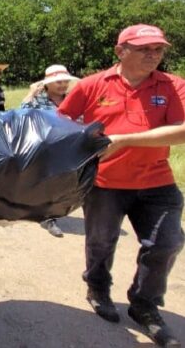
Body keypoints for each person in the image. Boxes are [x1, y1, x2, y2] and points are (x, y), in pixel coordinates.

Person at [58, 24, 185, 347]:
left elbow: (182, 131)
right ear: (121, 51)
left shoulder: (173, 86)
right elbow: (60, 125)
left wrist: (125, 139)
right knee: (100, 242)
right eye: (144, 49)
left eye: (158, 49)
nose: (153, 55)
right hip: (104, 183)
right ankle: (98, 288)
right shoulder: (91, 85)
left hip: (157, 182)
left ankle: (144, 305)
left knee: (167, 243)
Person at [20, 64, 80, 238]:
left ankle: (51, 211)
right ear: (47, 84)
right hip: (46, 148)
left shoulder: (72, 98)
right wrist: (31, 94)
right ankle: (48, 217)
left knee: (64, 182)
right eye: (58, 81)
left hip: (68, 147)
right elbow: (22, 114)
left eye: (65, 81)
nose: (63, 85)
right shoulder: (38, 99)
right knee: (48, 182)